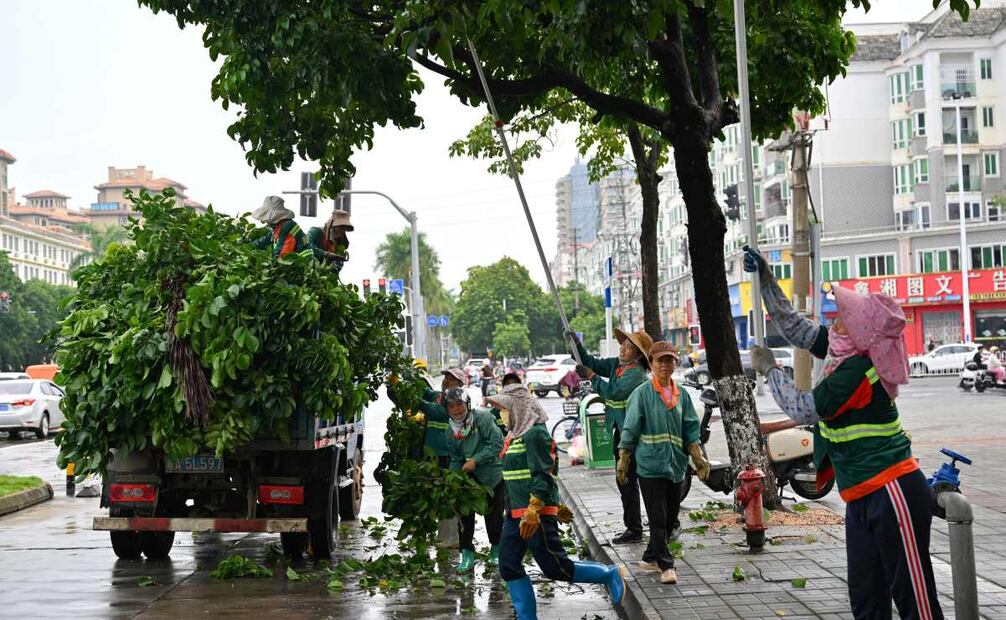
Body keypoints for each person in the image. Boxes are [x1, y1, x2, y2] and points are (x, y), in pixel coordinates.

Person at [744, 246, 943, 620]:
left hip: (892, 489)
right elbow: (796, 328)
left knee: (915, 601)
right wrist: (767, 280)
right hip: (862, 495)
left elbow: (803, 407)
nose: (833, 322)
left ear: (858, 332)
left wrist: (772, 370)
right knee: (866, 599)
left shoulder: (856, 372)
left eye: (841, 319)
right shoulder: (843, 352)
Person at [488, 383, 625, 620]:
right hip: (515, 514)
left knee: (555, 567)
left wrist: (536, 507)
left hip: (534, 513)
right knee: (508, 565)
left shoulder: (535, 434)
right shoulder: (514, 435)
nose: (501, 414)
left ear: (519, 409)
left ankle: (608, 573)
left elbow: (543, 474)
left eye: (504, 409)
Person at [617, 342, 709, 585]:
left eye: (669, 360)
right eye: (660, 361)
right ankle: (666, 565)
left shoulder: (682, 395)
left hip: (676, 466)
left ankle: (650, 556)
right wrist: (624, 457)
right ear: (651, 363)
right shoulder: (642, 394)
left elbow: (690, 428)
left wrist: (697, 456)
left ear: (675, 363)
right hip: (649, 465)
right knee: (658, 518)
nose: (665, 365)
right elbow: (630, 428)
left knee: (670, 518)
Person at [569, 328, 652, 544]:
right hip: (620, 431)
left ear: (639, 355)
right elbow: (593, 363)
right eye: (623, 344)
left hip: (634, 435)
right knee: (624, 481)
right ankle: (634, 527)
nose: (623, 349)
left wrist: (591, 377)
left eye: (629, 347)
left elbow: (612, 392)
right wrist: (576, 346)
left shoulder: (636, 374)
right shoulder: (618, 366)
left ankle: (638, 528)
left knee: (631, 480)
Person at [442, 387, 505, 571]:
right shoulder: (450, 431)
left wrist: (475, 460)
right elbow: (455, 458)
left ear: (467, 404)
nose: (456, 409)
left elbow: (496, 443)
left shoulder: (483, 419)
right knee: (464, 518)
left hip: (492, 476)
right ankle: (467, 553)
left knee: (493, 517)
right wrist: (453, 478)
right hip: (468, 480)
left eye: (459, 404)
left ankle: (496, 549)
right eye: (451, 406)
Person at [307, 209, 353, 273]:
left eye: (344, 228)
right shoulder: (315, 232)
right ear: (331, 225)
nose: (341, 230)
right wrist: (326, 254)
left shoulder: (340, 244)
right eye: (339, 227)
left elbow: (337, 267)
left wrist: (336, 262)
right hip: (308, 270)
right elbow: (307, 247)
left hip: (324, 276)